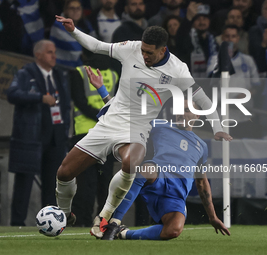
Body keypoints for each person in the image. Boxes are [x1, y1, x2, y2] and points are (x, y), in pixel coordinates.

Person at [54, 15, 232, 239]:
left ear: (162, 49)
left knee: (131, 162)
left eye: (149, 52)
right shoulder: (131, 48)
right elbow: (98, 46)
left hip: (138, 128)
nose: (144, 55)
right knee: (64, 172)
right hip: (110, 122)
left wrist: (217, 127)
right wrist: (74, 30)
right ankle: (64, 213)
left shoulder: (178, 69)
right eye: (143, 50)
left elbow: (204, 100)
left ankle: (106, 218)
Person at [88, 73, 230, 240]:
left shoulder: (202, 146)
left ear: (197, 115)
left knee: (173, 231)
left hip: (176, 195)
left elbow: (202, 183)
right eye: (178, 110)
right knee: (146, 168)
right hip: (158, 178)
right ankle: (113, 223)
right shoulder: (161, 126)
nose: (181, 114)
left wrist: (213, 217)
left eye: (186, 110)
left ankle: (124, 234)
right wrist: (102, 90)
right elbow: (126, 115)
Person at [7, 40, 71, 226]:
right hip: (31, 137)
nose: (54, 56)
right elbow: (12, 94)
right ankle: (17, 223)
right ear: (39, 55)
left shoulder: (59, 75)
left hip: (55, 138)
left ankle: (50, 224)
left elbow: (65, 105)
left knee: (52, 186)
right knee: (24, 183)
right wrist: (39, 98)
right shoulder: (26, 73)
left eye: (54, 52)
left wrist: (65, 132)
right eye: (49, 52)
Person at [70, 52, 118, 227]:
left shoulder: (78, 72)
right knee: (100, 183)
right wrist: (103, 117)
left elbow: (80, 102)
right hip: (101, 133)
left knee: (91, 183)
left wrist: (99, 117)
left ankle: (88, 221)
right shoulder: (113, 73)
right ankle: (100, 221)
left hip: (88, 133)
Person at [207, 25, 261, 138]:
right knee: (225, 151)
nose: (230, 39)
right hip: (223, 115)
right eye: (227, 36)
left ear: (238, 39)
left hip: (245, 115)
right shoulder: (214, 59)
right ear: (222, 38)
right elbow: (210, 81)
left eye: (233, 36)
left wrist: (247, 94)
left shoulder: (248, 60)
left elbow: (257, 86)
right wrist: (223, 59)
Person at [175, 1, 218, 78]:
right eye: (198, 19)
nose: (201, 22)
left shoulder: (214, 40)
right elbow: (180, 39)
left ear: (209, 21)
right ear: (193, 22)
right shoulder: (188, 37)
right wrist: (188, 17)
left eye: (204, 19)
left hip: (209, 83)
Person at [50, 0, 96, 67]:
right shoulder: (59, 25)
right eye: (72, 8)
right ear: (65, 10)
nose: (75, 11)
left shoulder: (85, 23)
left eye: (78, 8)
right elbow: (75, 49)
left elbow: (94, 41)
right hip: (62, 67)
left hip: (79, 68)